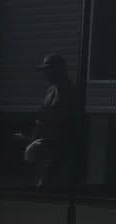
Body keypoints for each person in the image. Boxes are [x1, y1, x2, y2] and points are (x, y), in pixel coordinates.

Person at [22, 53, 79, 188]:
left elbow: (65, 121)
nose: (45, 74)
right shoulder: (51, 90)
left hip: (56, 145)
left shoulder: (69, 91)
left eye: (48, 70)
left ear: (59, 70)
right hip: (43, 142)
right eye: (44, 71)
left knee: (47, 184)